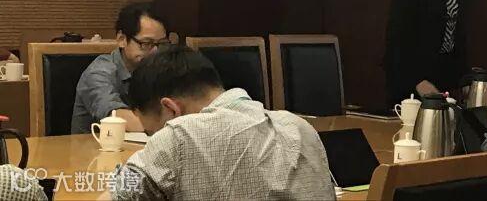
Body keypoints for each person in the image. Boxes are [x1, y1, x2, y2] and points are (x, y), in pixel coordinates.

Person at [111, 45, 335, 201]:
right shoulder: (301, 128)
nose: (155, 139)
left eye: (152, 132)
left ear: (171, 110)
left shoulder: (180, 136)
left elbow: (119, 192)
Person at [71, 2, 170, 134]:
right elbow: (117, 117)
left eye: (162, 44)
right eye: (147, 43)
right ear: (122, 39)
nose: (155, 52)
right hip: (92, 146)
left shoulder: (159, 69)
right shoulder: (98, 73)